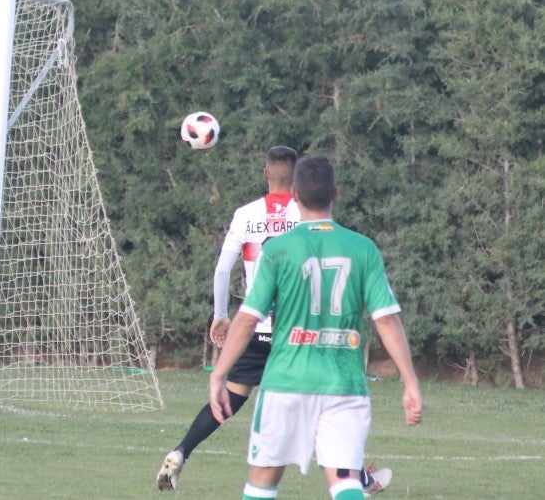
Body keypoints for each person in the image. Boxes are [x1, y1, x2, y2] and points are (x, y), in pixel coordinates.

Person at [157, 146, 391, 495]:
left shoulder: (246, 214)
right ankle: (358, 481)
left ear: (265, 174)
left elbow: (223, 270)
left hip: (255, 327)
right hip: (299, 334)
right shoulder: (308, 215)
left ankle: (181, 451)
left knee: (231, 399)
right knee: (328, 402)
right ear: (297, 181)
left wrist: (221, 316)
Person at [208, 154, 423, 500]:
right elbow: (387, 319)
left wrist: (219, 374)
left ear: (294, 195)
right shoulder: (362, 248)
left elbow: (247, 320)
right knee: (346, 483)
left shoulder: (277, 250)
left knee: (262, 483)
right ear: (335, 194)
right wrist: (410, 383)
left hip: (285, 383)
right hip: (344, 385)